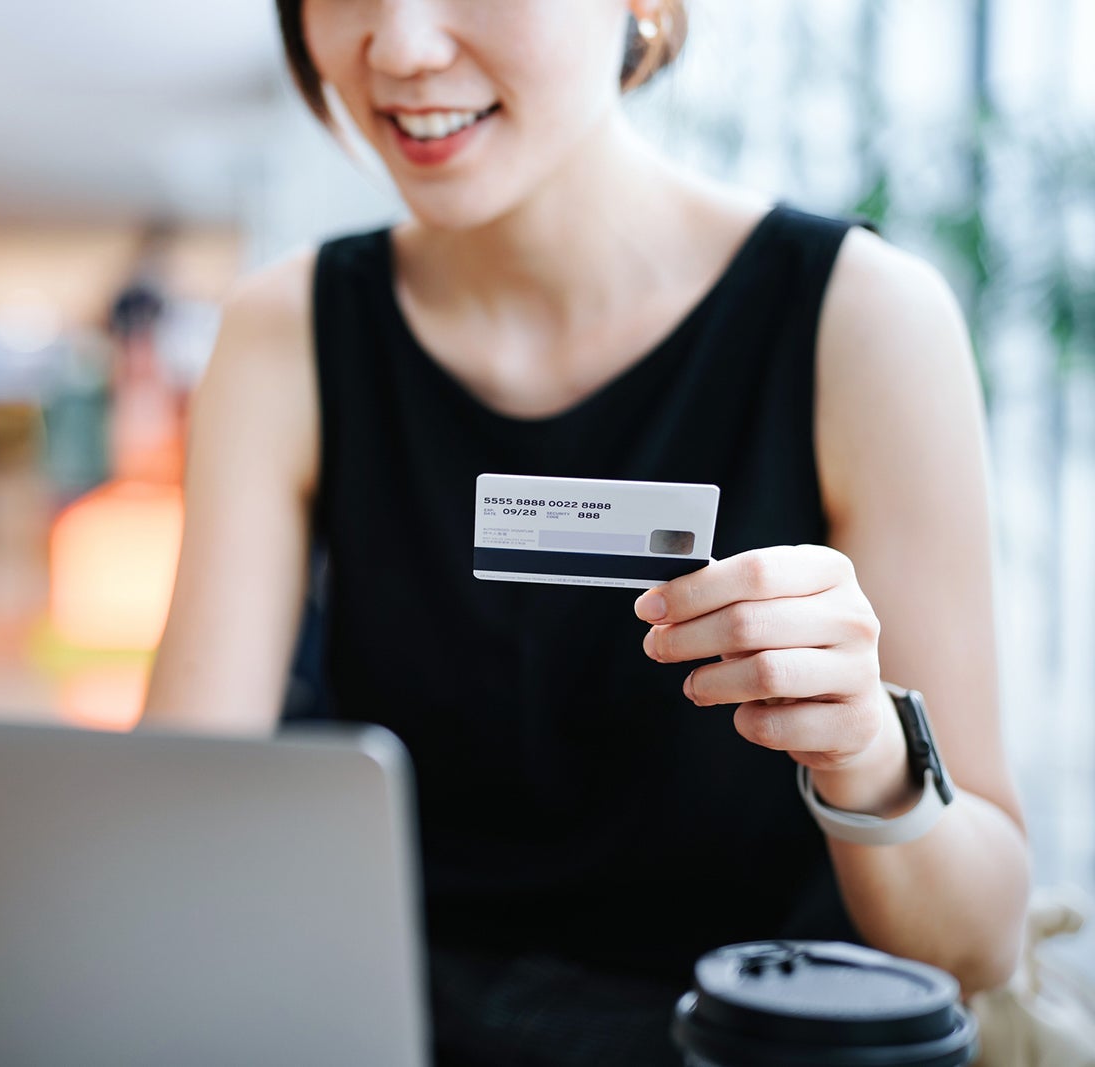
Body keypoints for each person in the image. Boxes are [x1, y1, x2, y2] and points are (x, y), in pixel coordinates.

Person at [141, 2, 1031, 1063]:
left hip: (751, 1038)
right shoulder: (286, 330)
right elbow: (173, 832)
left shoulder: (862, 317)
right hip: (399, 1028)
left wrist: (865, 747)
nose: (400, 49)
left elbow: (978, 938)